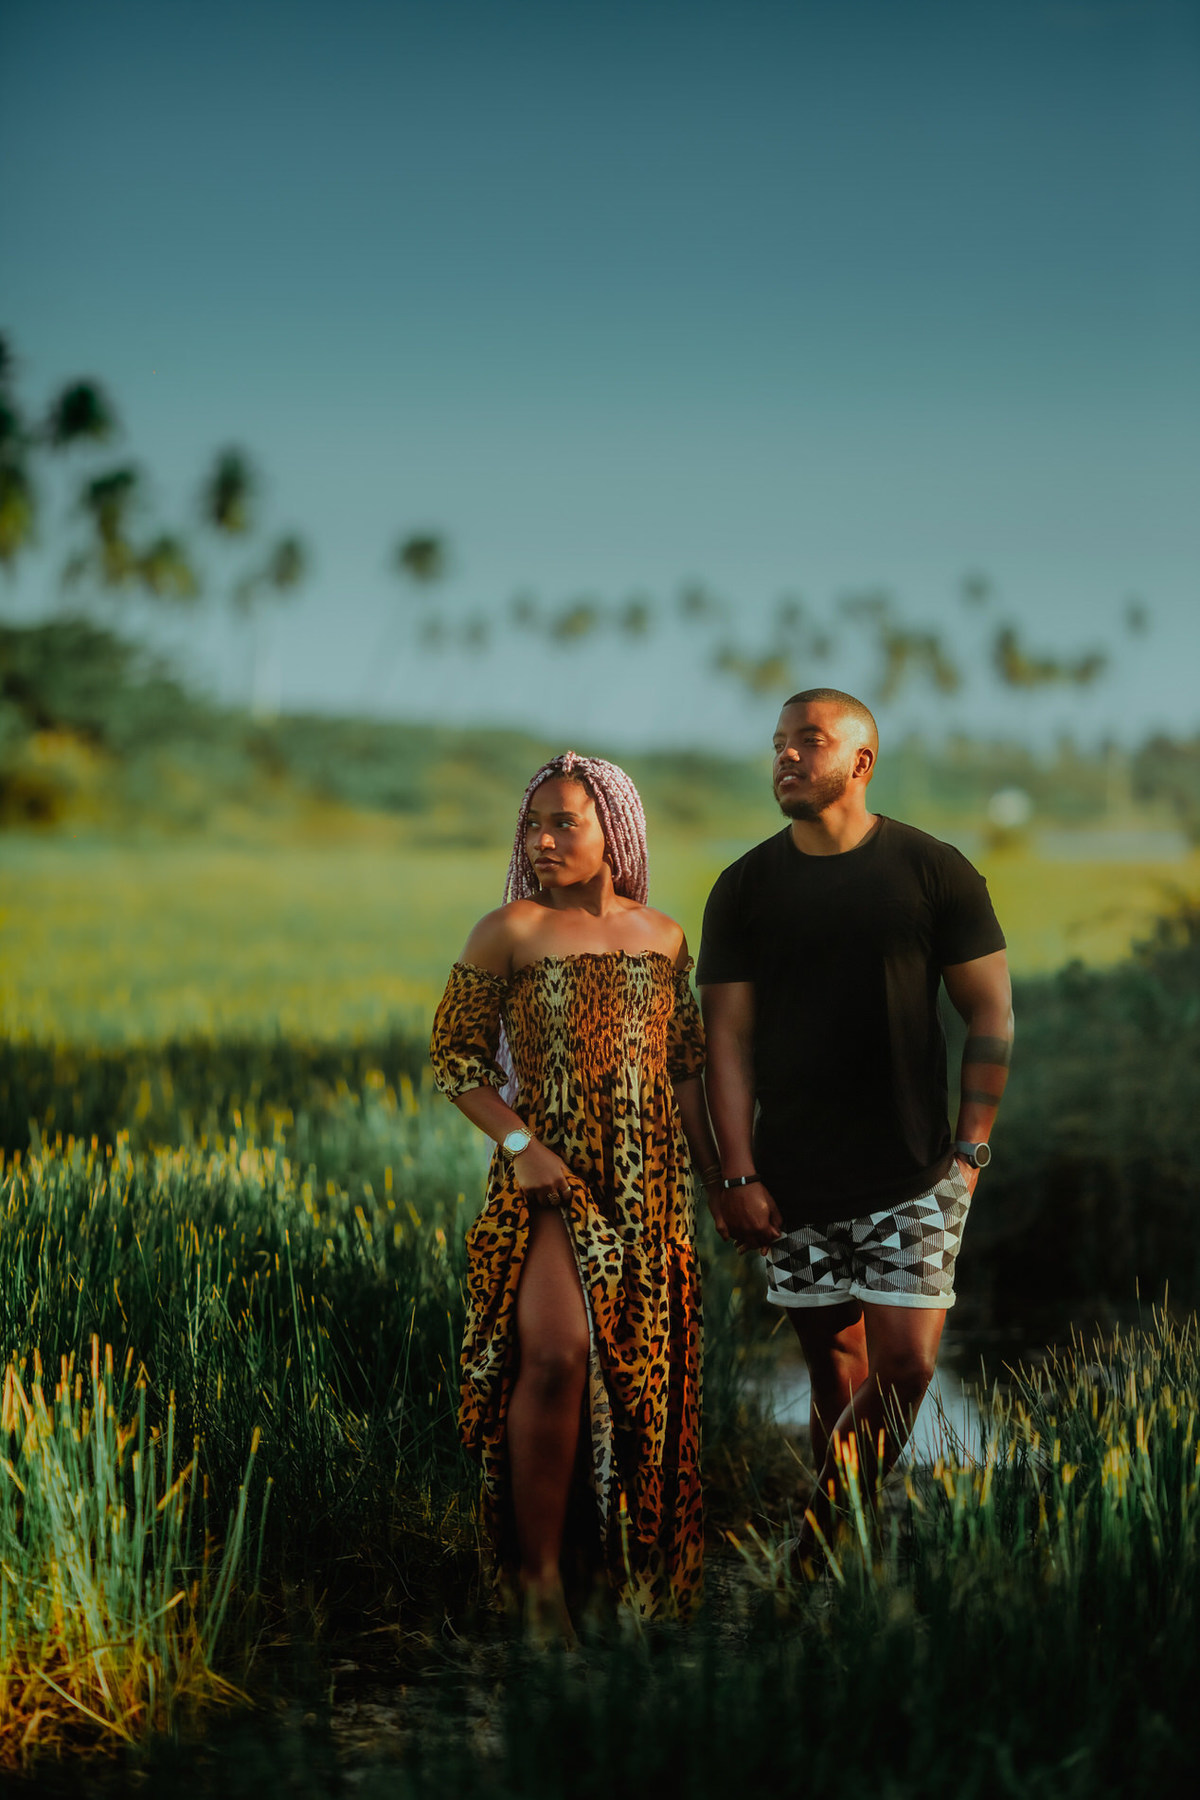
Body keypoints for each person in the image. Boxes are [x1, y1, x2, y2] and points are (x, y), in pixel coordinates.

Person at [698, 689, 1013, 1564]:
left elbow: (990, 1013)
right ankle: (847, 1551)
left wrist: (971, 1149)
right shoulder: (745, 888)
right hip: (793, 1177)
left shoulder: (933, 870)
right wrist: (736, 1173)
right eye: (778, 745)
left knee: (905, 1369)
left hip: (914, 1171)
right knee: (833, 1378)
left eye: (810, 741)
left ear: (861, 762)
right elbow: (725, 1039)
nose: (787, 757)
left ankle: (810, 1552)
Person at [429, 751, 719, 1633]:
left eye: (566, 822)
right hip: (550, 1180)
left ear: (615, 833)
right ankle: (537, 1579)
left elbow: (686, 1073)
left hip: (652, 1184)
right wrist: (521, 1145)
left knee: (641, 1383)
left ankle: (619, 1575)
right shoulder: (507, 930)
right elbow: (455, 1061)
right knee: (555, 1356)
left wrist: (728, 1184)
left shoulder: (665, 937)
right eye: (534, 823)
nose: (543, 839)